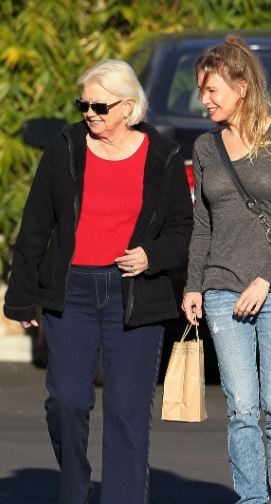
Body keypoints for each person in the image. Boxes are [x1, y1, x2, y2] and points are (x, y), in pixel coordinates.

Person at [3, 59, 193, 504]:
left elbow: (182, 230)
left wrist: (151, 256)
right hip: (72, 294)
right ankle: (77, 491)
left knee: (127, 413)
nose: (89, 113)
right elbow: (35, 224)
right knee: (66, 404)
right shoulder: (65, 147)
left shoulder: (161, 155)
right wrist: (21, 296)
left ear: (128, 107)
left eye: (100, 106)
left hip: (134, 294)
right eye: (83, 103)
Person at [182, 36, 271, 504]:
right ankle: (253, 499)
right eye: (201, 91)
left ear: (241, 86)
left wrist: (267, 278)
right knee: (241, 409)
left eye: (212, 89)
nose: (205, 100)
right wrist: (193, 285)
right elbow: (202, 225)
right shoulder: (204, 146)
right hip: (220, 288)